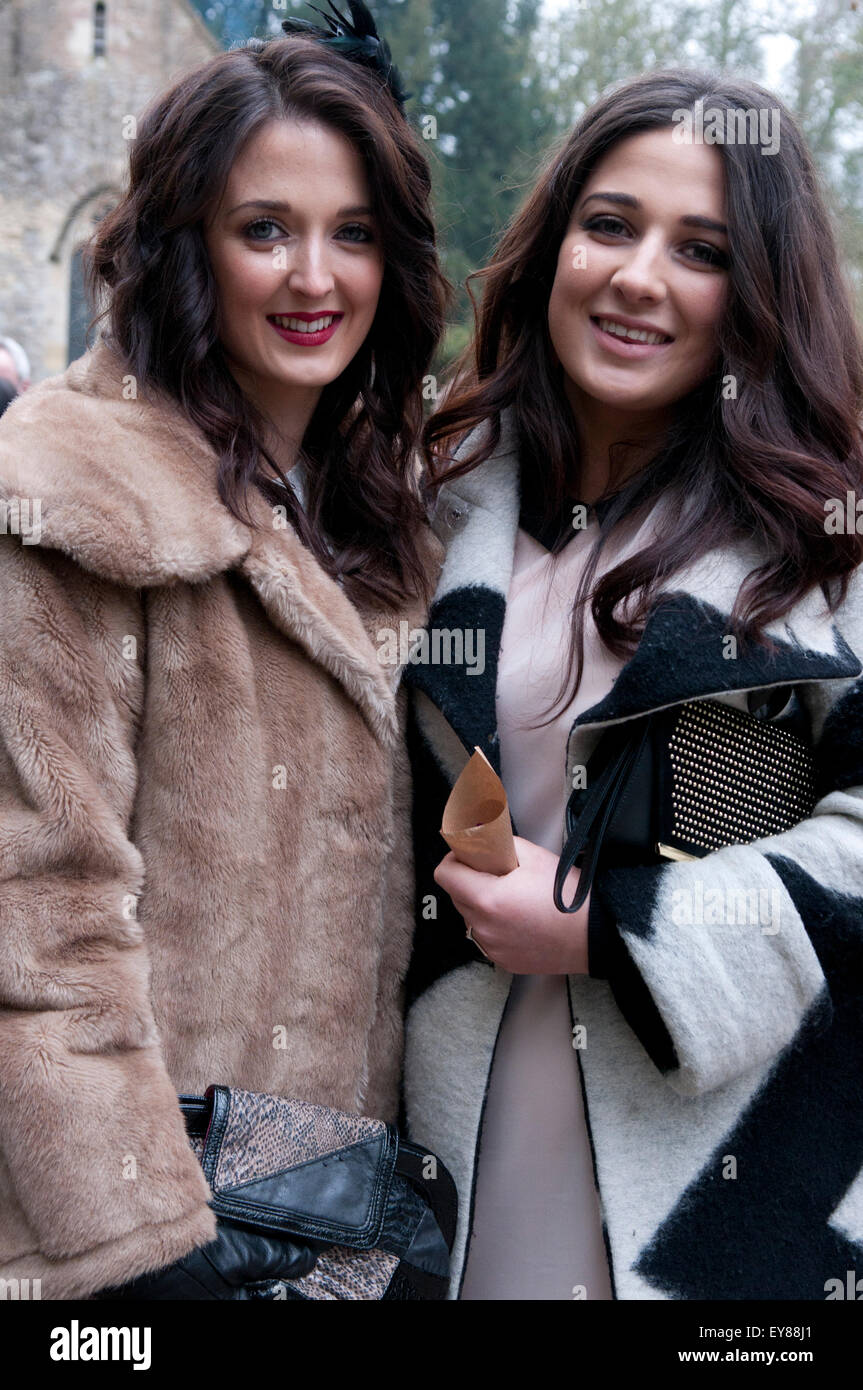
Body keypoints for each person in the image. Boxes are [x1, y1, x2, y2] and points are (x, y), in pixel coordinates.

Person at [0, 11, 449, 1300]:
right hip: (139, 1245)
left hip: (334, 1214)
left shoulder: (392, 516)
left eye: (350, 232)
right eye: (265, 229)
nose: (314, 275)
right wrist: (147, 1259)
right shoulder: (68, 491)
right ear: (188, 245)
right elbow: (38, 925)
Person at [402, 68, 863, 1301]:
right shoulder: (431, 504)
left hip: (723, 1144)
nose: (636, 276)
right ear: (553, 244)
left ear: (757, 289)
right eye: (608, 224)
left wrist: (619, 931)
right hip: (442, 1122)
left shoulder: (824, 541)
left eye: (699, 248)